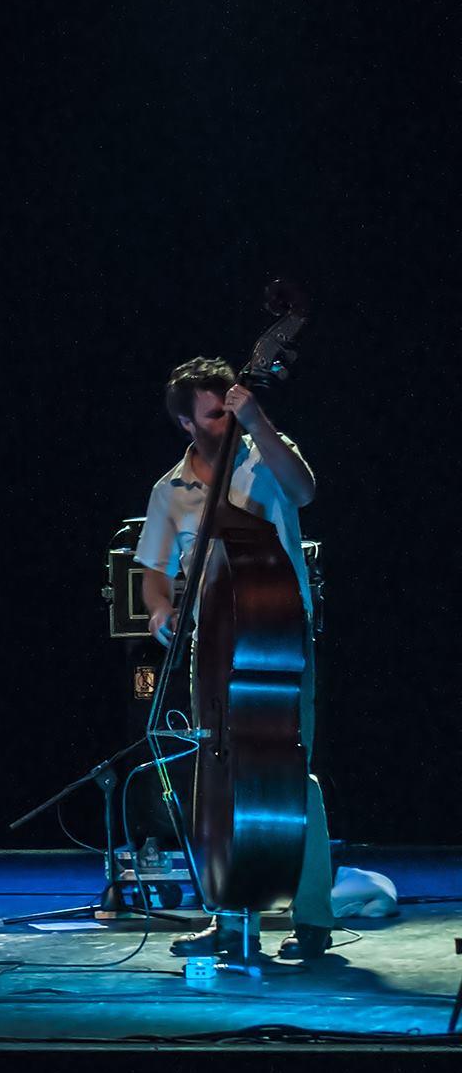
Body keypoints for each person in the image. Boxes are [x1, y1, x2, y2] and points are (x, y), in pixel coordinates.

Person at [135, 357, 333, 962]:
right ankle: (228, 915)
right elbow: (153, 570)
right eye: (216, 414)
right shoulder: (169, 490)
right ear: (186, 424)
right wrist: (160, 611)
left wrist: (258, 421)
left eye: (231, 408)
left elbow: (305, 491)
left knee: (291, 771)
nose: (228, 420)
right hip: (214, 648)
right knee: (216, 776)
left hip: (278, 638)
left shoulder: (265, 452)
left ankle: (312, 918)